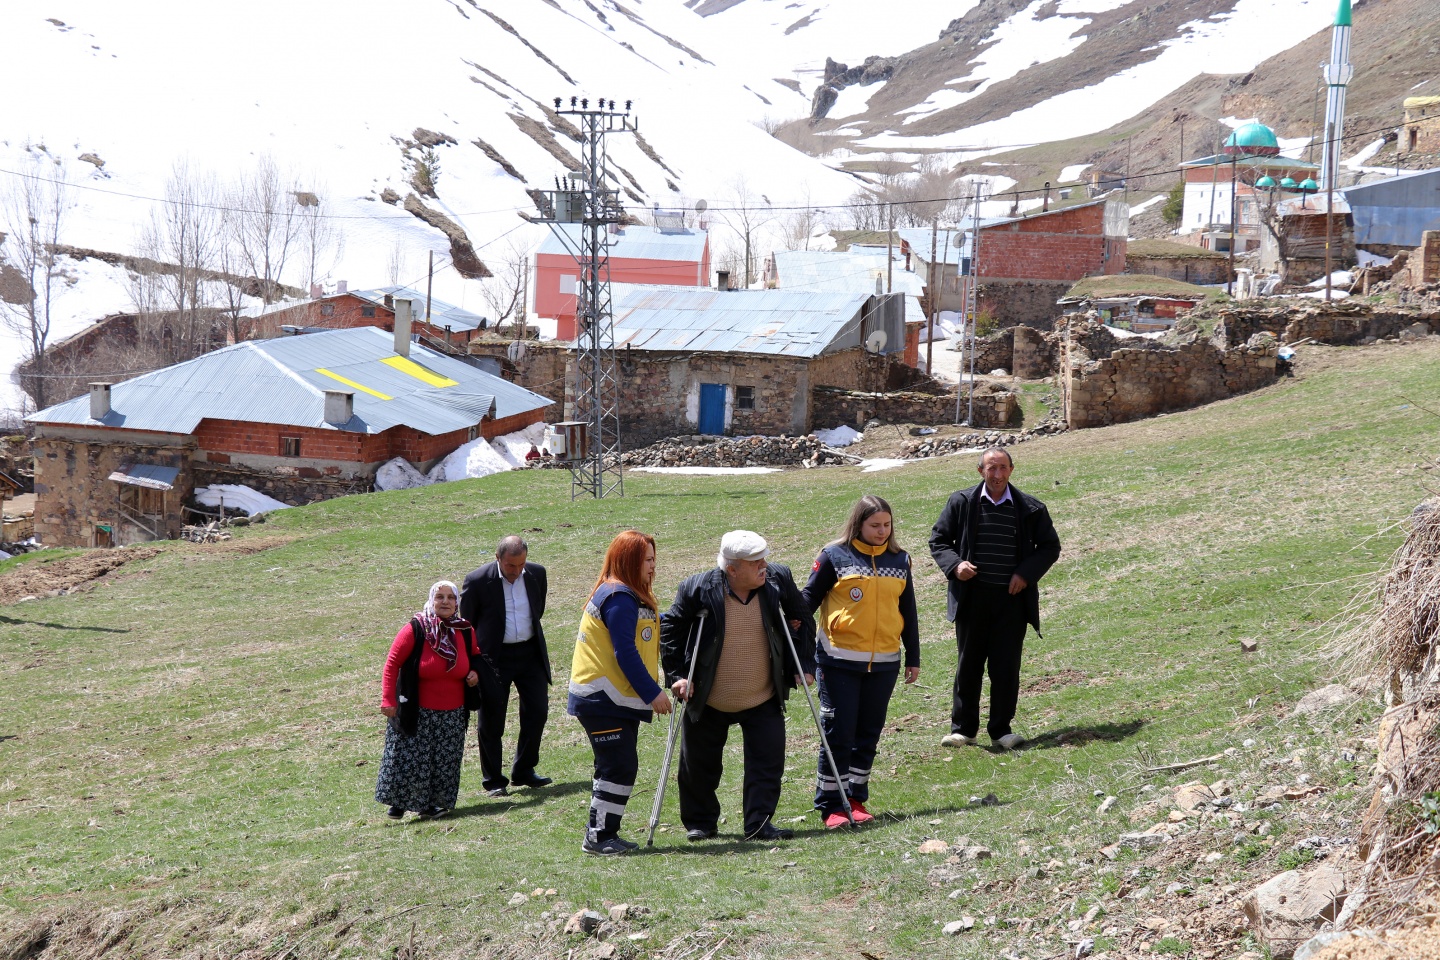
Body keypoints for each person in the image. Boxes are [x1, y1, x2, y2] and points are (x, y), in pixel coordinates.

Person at [661, 530, 816, 843]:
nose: (764, 566)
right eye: (755, 562)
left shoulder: (777, 579)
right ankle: (701, 823)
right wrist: (677, 675)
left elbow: (803, 617)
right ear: (731, 569)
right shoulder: (698, 588)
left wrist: (805, 664)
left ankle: (759, 823)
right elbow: (670, 628)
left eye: (764, 559)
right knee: (699, 765)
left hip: (763, 693)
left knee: (767, 762)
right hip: (709, 694)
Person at [928, 447, 1061, 751]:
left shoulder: (1030, 508)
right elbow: (938, 539)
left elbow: (1050, 547)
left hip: (1011, 602)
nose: (997, 475)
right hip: (972, 599)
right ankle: (963, 730)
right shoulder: (961, 502)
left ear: (1011, 470)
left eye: (1002, 468)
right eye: (991, 468)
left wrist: (1025, 574)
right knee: (969, 664)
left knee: (1005, 666)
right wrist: (955, 565)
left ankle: (1001, 729)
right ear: (980, 471)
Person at [802, 495, 920, 829]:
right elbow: (808, 598)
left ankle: (855, 798)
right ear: (858, 524)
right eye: (874, 525)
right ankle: (832, 804)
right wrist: (791, 623)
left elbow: (907, 610)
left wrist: (914, 656)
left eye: (887, 524)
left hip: (885, 662)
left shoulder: (900, 559)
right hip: (838, 660)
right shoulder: (833, 556)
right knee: (839, 732)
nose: (882, 531)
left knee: (868, 734)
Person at [568, 530, 672, 855]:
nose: (653, 567)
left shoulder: (627, 596)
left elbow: (647, 628)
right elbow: (625, 652)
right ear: (630, 561)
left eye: (655, 559)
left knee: (614, 766)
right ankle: (599, 838)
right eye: (647, 560)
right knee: (620, 766)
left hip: (611, 701)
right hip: (602, 699)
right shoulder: (619, 597)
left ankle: (601, 834)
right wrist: (653, 693)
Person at [376, 581, 480, 820]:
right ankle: (399, 802)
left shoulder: (464, 630)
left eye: (450, 597)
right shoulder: (416, 628)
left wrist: (475, 672)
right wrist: (387, 699)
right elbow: (392, 664)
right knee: (409, 758)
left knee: (444, 760)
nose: (445, 602)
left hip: (452, 711)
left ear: (457, 603)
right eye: (440, 597)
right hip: (417, 708)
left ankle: (433, 804)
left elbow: (476, 657)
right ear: (431, 600)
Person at [460, 535, 552, 798]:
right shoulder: (477, 581)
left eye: (521, 564)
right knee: (491, 720)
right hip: (493, 659)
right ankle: (493, 780)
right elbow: (467, 625)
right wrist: (474, 664)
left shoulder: (536, 574)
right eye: (511, 566)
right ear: (498, 558)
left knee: (537, 712)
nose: (517, 571)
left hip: (530, 653)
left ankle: (524, 770)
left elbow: (538, 609)